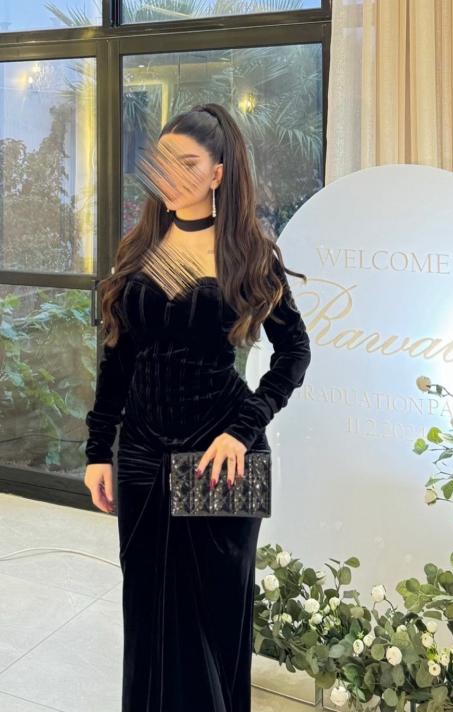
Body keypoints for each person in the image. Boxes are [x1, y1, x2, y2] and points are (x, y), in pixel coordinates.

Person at [83, 102, 312, 712]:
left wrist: (243, 430)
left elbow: (294, 352)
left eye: (187, 163)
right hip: (141, 457)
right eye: (163, 162)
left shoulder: (249, 253)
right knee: (148, 615)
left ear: (217, 174)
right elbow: (118, 359)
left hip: (222, 458)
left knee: (213, 621)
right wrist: (98, 449)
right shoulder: (139, 248)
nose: (172, 175)